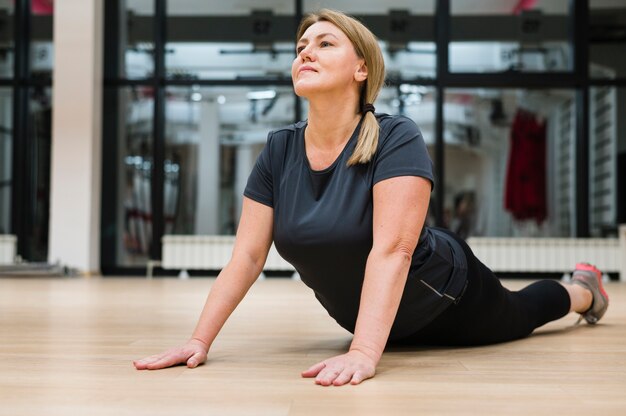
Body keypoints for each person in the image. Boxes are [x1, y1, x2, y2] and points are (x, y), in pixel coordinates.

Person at [134, 9, 609, 386]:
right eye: (300, 47)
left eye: (324, 43)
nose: (305, 53)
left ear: (362, 67)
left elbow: (394, 250)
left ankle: (585, 291)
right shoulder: (279, 149)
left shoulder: (395, 135)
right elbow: (247, 256)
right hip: (374, 323)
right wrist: (199, 340)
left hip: (445, 297)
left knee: (523, 310)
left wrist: (362, 352)